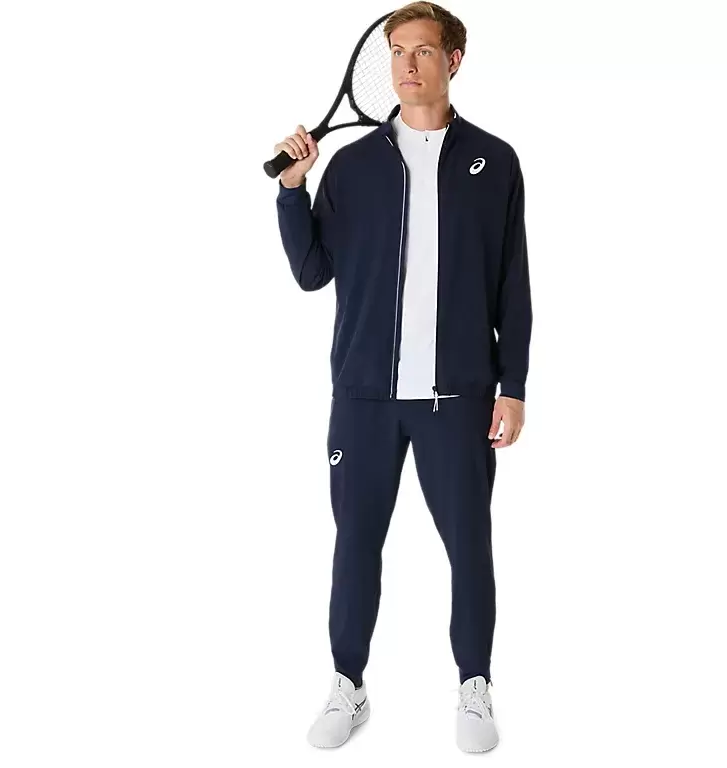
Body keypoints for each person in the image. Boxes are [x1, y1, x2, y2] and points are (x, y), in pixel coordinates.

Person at [272, 1, 530, 753]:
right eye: (396, 50)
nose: (407, 64)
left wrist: (513, 385)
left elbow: (512, 284)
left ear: (453, 60)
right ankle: (347, 685)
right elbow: (312, 272)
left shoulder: (495, 161)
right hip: (364, 398)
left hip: (459, 398)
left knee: (469, 546)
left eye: (422, 50)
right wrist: (291, 191)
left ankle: (474, 686)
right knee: (355, 543)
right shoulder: (352, 167)